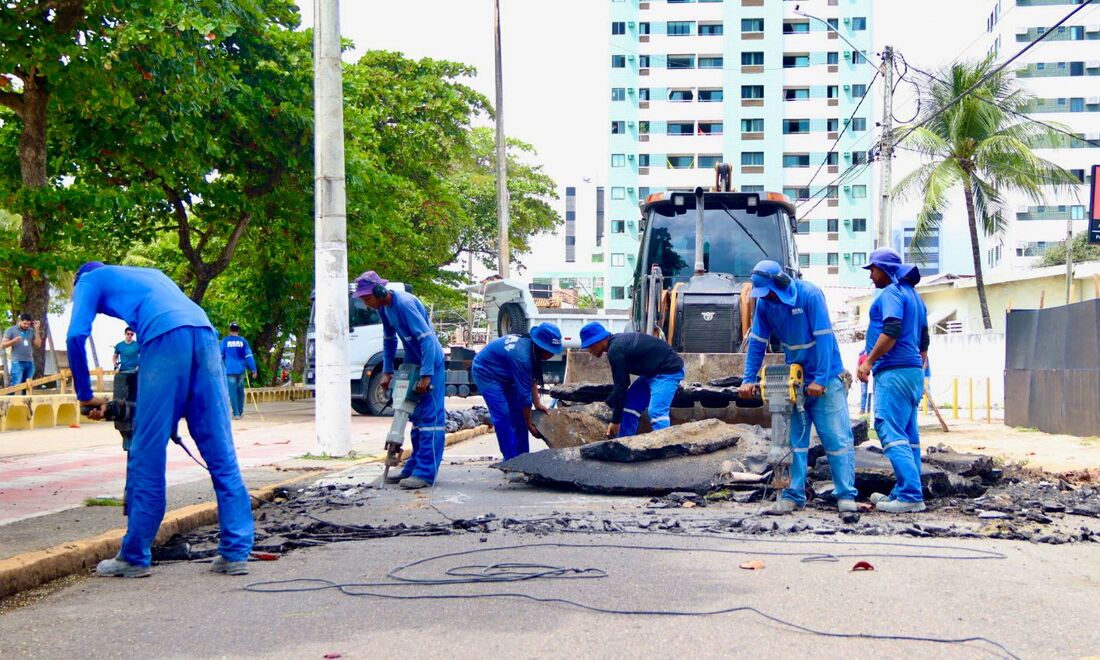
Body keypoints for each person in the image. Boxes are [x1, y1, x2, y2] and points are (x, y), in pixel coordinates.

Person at [67, 262, 253, 578]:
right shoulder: (151, 275)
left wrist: (85, 395)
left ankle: (134, 556)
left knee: (147, 453)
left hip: (165, 338)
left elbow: (75, 336)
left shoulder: (90, 279)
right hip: (205, 334)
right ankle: (235, 552)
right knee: (221, 453)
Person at [737, 260, 857, 515]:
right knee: (794, 443)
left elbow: (824, 337)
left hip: (826, 378)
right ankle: (793, 495)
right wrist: (748, 379)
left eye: (768, 291)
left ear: (780, 283)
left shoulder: (810, 295)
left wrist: (821, 380)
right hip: (797, 378)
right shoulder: (766, 305)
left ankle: (846, 495)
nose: (766, 297)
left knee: (836, 440)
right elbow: (758, 342)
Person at [856, 248, 930, 514]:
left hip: (894, 371)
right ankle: (903, 490)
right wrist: (917, 367)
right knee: (909, 435)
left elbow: (891, 330)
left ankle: (910, 495)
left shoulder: (891, 293)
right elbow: (924, 340)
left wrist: (869, 361)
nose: (871, 276)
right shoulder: (915, 296)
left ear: (884, 269)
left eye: (873, 270)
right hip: (911, 371)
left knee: (888, 428)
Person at [356, 271, 445, 490]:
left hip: (430, 362)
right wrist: (387, 372)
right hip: (413, 363)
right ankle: (413, 467)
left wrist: (426, 375)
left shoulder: (404, 304)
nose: (367, 304)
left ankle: (425, 473)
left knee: (430, 420)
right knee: (413, 414)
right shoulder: (385, 309)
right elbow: (388, 340)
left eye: (367, 299)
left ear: (379, 291)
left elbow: (427, 340)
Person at [471, 323, 563, 460]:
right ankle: (510, 460)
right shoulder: (523, 357)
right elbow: (525, 398)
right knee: (503, 415)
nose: (552, 354)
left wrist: (537, 404)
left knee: (519, 414)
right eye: (550, 350)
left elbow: (531, 378)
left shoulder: (531, 350)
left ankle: (523, 458)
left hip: (507, 372)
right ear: (540, 346)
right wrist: (530, 424)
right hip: (487, 372)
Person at [579, 322, 685, 439]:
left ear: (597, 341)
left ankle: (666, 447)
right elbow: (623, 383)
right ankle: (623, 443)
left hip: (668, 372)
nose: (589, 350)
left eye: (588, 346)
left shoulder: (615, 350)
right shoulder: (616, 344)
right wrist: (608, 403)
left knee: (656, 411)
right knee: (629, 405)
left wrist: (615, 421)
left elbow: (621, 386)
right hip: (651, 373)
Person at [220, 322, 257, 420]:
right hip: (241, 371)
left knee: (232, 392)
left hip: (230, 371)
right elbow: (249, 356)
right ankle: (240, 411)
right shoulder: (243, 341)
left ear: (230, 330)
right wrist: (254, 369)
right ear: (238, 330)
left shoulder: (225, 341)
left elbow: (220, 356)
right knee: (240, 391)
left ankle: (236, 413)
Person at [3, 313, 42, 389]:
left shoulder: (31, 331)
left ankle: (26, 400)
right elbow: (3, 344)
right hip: (17, 362)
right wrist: (13, 341)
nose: (26, 326)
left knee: (28, 385)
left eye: (28, 324)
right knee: (15, 384)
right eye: (24, 323)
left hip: (29, 362)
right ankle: (10, 400)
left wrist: (37, 330)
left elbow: (38, 344)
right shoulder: (11, 330)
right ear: (19, 321)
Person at [857, 350, 870, 415]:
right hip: (863, 377)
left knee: (870, 393)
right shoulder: (861, 357)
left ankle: (869, 410)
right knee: (863, 393)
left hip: (871, 377)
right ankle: (862, 409)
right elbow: (858, 366)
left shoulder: (871, 356)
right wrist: (856, 375)